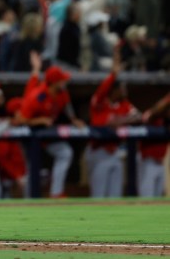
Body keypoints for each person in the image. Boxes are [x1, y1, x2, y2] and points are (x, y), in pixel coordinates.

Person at [19, 65, 86, 197]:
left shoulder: (62, 92)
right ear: (54, 82)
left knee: (65, 152)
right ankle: (27, 201)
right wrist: (39, 120)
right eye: (62, 80)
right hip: (30, 135)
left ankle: (56, 192)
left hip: (46, 134)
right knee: (32, 168)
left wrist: (73, 119)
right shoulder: (37, 96)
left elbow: (67, 106)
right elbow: (20, 120)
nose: (65, 82)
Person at [87, 49, 141, 197]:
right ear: (114, 90)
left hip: (115, 151)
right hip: (98, 151)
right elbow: (101, 91)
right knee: (98, 196)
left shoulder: (124, 105)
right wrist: (113, 75)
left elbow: (138, 116)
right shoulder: (99, 103)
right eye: (121, 88)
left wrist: (119, 121)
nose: (125, 91)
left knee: (115, 197)